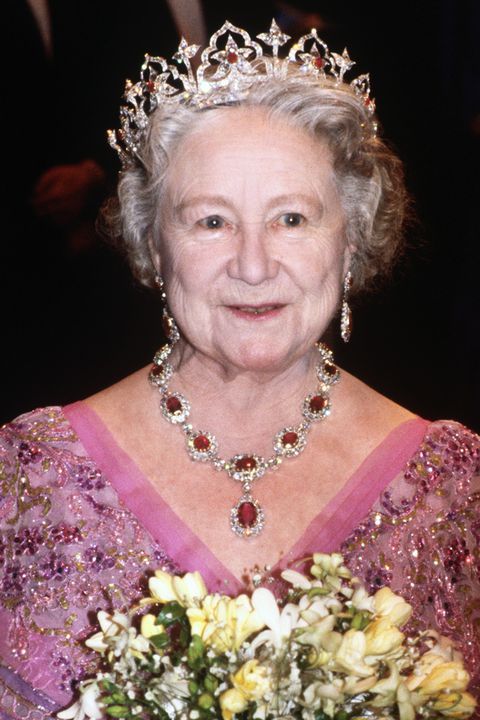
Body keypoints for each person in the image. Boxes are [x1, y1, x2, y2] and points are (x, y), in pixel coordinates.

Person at [0, 20, 478, 718]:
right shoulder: (29, 480)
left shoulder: (454, 492)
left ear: (350, 244)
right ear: (153, 247)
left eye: (291, 218)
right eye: (211, 222)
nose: (253, 266)